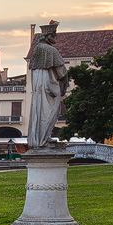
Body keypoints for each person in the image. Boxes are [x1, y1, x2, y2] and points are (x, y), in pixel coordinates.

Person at [27, 21, 67, 149]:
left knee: (39, 111)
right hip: (49, 86)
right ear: (48, 36)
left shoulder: (36, 50)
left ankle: (38, 138)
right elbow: (61, 73)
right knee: (51, 111)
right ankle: (43, 138)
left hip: (38, 87)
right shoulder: (51, 51)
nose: (55, 38)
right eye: (53, 35)